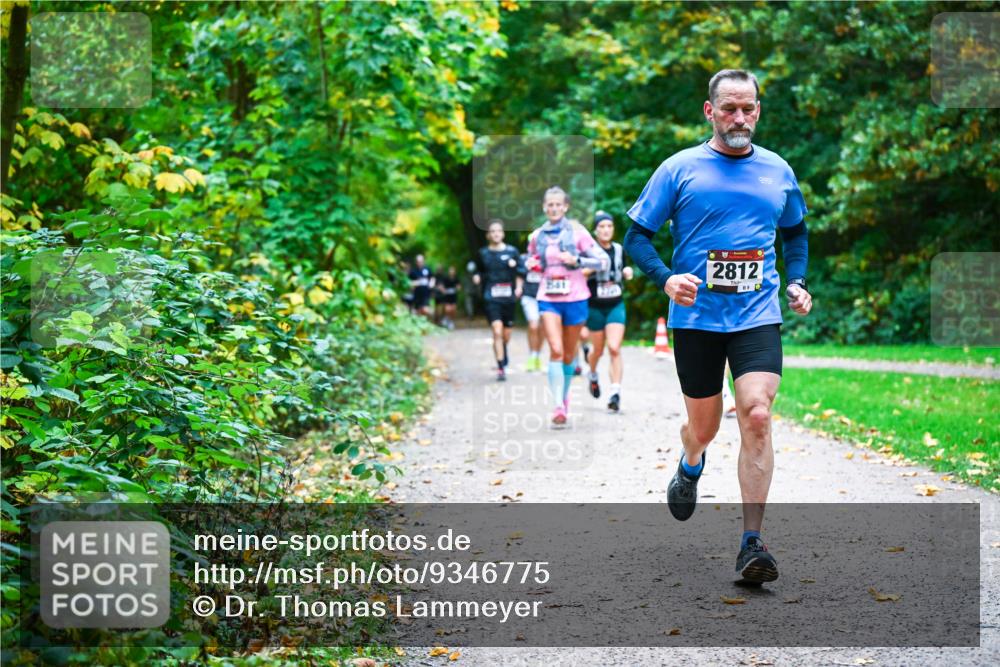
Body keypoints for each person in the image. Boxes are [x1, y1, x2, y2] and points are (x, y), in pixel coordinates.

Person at [624, 69, 812, 585]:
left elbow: (796, 234)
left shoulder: (777, 171)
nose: (740, 118)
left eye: (748, 108)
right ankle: (690, 461)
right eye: (729, 108)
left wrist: (795, 281)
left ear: (758, 109)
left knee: (756, 413)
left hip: (756, 315)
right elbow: (636, 236)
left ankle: (753, 543)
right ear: (710, 111)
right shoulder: (679, 169)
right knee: (703, 427)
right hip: (697, 319)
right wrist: (665, 279)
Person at [526, 186, 609, 426]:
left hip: (575, 297)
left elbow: (602, 261)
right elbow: (534, 262)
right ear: (544, 207)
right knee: (555, 349)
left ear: (565, 207)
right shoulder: (537, 236)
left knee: (569, 354)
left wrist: (577, 260)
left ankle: (564, 396)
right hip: (548, 297)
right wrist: (533, 264)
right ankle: (558, 406)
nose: (553, 209)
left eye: (558, 205)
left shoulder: (578, 232)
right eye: (549, 205)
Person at [584, 211, 633, 412]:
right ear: (595, 230)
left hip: (615, 304)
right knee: (597, 350)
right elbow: (579, 273)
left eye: (609, 226)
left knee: (614, 347)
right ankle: (593, 373)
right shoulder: (588, 250)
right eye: (601, 226)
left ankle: (615, 392)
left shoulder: (620, 250)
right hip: (594, 306)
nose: (605, 230)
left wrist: (627, 273)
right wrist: (592, 269)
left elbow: (624, 269)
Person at [473, 220, 524, 381]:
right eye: (492, 231)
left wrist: (518, 288)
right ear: (488, 235)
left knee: (506, 334)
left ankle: (503, 350)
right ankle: (501, 366)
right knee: (497, 331)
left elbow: (520, 271)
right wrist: (476, 277)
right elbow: (478, 270)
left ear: (503, 234)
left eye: (498, 231)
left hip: (508, 297)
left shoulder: (512, 252)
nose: (496, 234)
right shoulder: (483, 253)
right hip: (491, 296)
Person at [519, 250, 544, 372]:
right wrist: (518, 288)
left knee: (542, 328)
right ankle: (532, 355)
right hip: (529, 296)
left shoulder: (548, 256)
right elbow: (519, 275)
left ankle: (538, 355)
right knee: (533, 326)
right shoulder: (523, 258)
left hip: (545, 296)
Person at [408, 255, 434, 319]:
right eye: (418, 261)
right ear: (416, 262)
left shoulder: (427, 269)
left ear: (423, 261)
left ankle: (426, 321)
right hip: (417, 294)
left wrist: (431, 283)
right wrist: (418, 282)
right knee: (418, 312)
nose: (420, 263)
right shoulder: (413, 271)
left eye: (421, 261)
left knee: (425, 309)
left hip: (426, 294)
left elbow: (432, 278)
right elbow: (409, 282)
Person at [436, 266, 460, 331]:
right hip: (447, 296)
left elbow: (459, 286)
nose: (452, 272)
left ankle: (450, 321)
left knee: (453, 309)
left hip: (453, 296)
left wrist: (457, 289)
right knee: (447, 309)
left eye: (453, 271)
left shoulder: (456, 278)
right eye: (450, 271)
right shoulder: (445, 278)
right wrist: (444, 291)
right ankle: (446, 319)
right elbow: (441, 286)